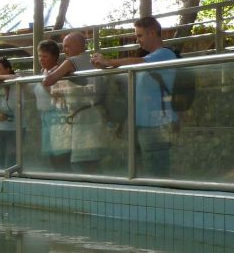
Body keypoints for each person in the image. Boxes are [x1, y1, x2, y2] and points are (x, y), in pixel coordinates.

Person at [92, 15, 178, 176]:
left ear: (152, 33)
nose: (138, 40)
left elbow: (138, 62)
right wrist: (103, 66)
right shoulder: (146, 60)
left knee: (157, 170)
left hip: (157, 123)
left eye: (140, 35)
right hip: (142, 124)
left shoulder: (164, 55)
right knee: (142, 170)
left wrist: (109, 61)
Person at [51, 32, 107, 174]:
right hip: (93, 115)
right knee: (92, 161)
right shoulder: (92, 62)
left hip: (84, 117)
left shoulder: (72, 61)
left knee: (81, 163)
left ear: (77, 45)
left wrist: (59, 72)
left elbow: (48, 79)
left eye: (67, 46)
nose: (64, 50)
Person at [35, 40, 71, 171]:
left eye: (45, 56)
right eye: (40, 56)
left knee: (60, 151)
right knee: (49, 151)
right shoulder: (43, 72)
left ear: (54, 56)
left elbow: (60, 98)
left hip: (57, 116)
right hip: (44, 116)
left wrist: (46, 85)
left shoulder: (58, 72)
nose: (41, 59)